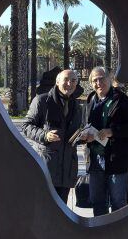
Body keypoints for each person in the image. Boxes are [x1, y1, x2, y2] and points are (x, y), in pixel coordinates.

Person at [84, 66, 128, 216]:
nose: (98, 83)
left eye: (101, 78)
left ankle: (118, 237)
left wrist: (112, 131)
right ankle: (100, 235)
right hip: (95, 160)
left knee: (118, 202)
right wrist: (84, 137)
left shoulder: (122, 100)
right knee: (98, 201)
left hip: (117, 160)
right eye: (94, 80)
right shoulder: (90, 100)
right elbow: (85, 125)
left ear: (109, 79)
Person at [22, 69, 84, 203]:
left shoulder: (77, 107)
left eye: (73, 80)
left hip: (67, 171)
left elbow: (74, 135)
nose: (69, 83)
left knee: (62, 212)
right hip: (46, 168)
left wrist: (83, 138)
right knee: (43, 209)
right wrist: (45, 135)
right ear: (57, 82)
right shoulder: (41, 101)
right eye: (66, 80)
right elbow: (26, 126)